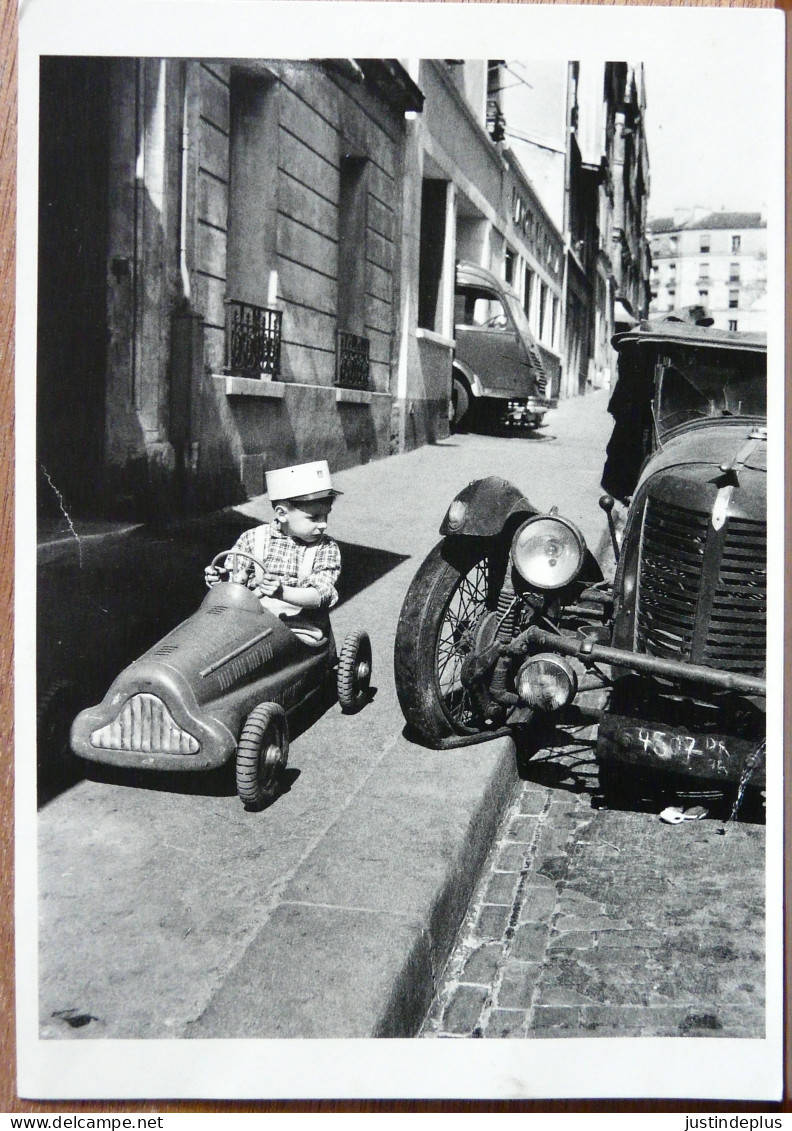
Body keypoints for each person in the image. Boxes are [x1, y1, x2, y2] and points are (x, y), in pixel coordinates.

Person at [205, 460, 342, 644]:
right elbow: (236, 581)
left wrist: (282, 591)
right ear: (282, 514)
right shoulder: (253, 538)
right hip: (250, 621)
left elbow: (321, 594)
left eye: (326, 515)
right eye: (314, 517)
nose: (324, 524)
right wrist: (222, 580)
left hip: (300, 628)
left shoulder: (325, 548)